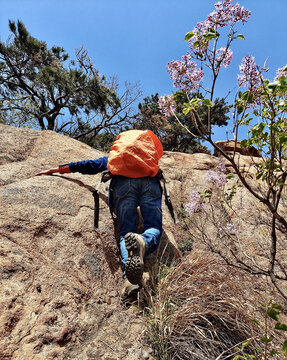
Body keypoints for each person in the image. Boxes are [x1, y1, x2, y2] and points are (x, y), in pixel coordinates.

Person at [35, 129, 164, 298]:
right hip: (150, 184)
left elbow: (90, 165)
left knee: (127, 232)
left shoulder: (116, 159)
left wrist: (59, 169)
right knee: (153, 226)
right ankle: (144, 242)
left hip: (122, 186)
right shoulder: (149, 161)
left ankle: (130, 281)